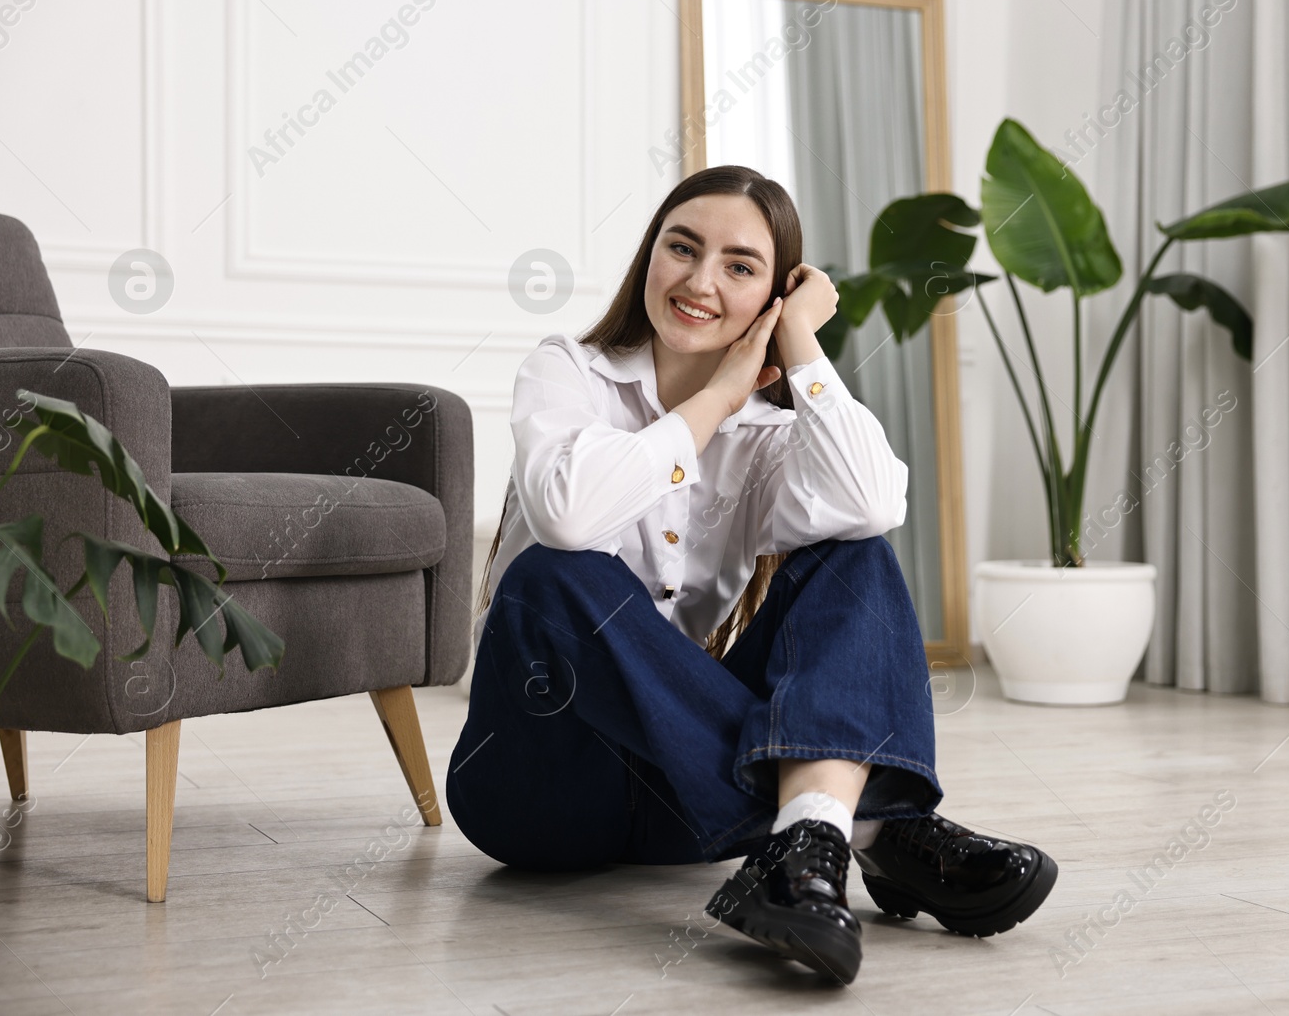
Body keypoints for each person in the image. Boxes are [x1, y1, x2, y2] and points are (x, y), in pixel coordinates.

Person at [445, 165, 1057, 984]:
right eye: (682, 248)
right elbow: (563, 513)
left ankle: (798, 850)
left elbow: (874, 501)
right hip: (536, 792)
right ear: (649, 258)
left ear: (773, 296)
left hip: (681, 800)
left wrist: (800, 345)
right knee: (551, 578)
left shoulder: (768, 444)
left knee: (855, 551)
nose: (699, 281)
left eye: (740, 267)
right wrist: (718, 398)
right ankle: (870, 828)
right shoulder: (570, 372)